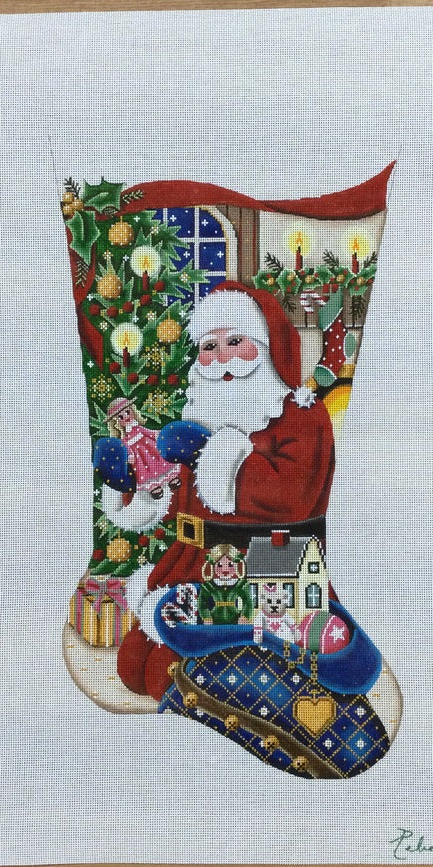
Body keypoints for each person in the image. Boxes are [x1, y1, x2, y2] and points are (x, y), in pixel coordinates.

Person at [107, 282, 336, 699]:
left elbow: (293, 496)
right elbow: (181, 496)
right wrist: (140, 491)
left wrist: (225, 460)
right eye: (209, 347)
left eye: (235, 341)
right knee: (133, 665)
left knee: (166, 676)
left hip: (264, 569)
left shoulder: (300, 415)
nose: (222, 358)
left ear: (266, 346)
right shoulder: (202, 415)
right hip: (191, 563)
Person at [197, 544, 252, 626]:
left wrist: (244, 616)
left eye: (230, 565)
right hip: (215, 619)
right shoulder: (209, 585)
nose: (225, 570)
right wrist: (207, 617)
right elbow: (202, 603)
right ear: (213, 566)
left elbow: (248, 602)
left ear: (236, 565)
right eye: (220, 565)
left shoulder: (240, 584)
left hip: (235, 619)